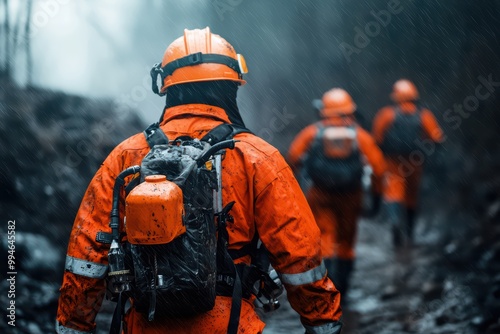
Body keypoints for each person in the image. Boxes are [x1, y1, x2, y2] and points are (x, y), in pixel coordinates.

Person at [55, 27, 343, 334]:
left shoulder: (126, 156)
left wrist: (73, 325)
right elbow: (300, 255)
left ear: (165, 86)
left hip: (146, 322)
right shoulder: (257, 157)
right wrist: (323, 323)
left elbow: (86, 258)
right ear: (231, 86)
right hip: (232, 324)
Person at [287, 88, 386, 297]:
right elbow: (378, 168)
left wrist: (295, 187)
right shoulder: (359, 135)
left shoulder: (313, 132)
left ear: (324, 110)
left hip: (320, 194)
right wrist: (377, 197)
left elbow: (293, 156)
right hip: (351, 196)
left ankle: (328, 286)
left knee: (325, 237)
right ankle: (345, 289)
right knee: (347, 242)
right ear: (349, 110)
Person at [372, 79, 444, 247]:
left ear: (396, 96)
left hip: (393, 161)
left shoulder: (387, 114)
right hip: (415, 161)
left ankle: (395, 222)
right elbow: (436, 138)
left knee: (393, 193)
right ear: (414, 95)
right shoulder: (423, 115)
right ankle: (410, 234)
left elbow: (376, 138)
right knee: (411, 197)